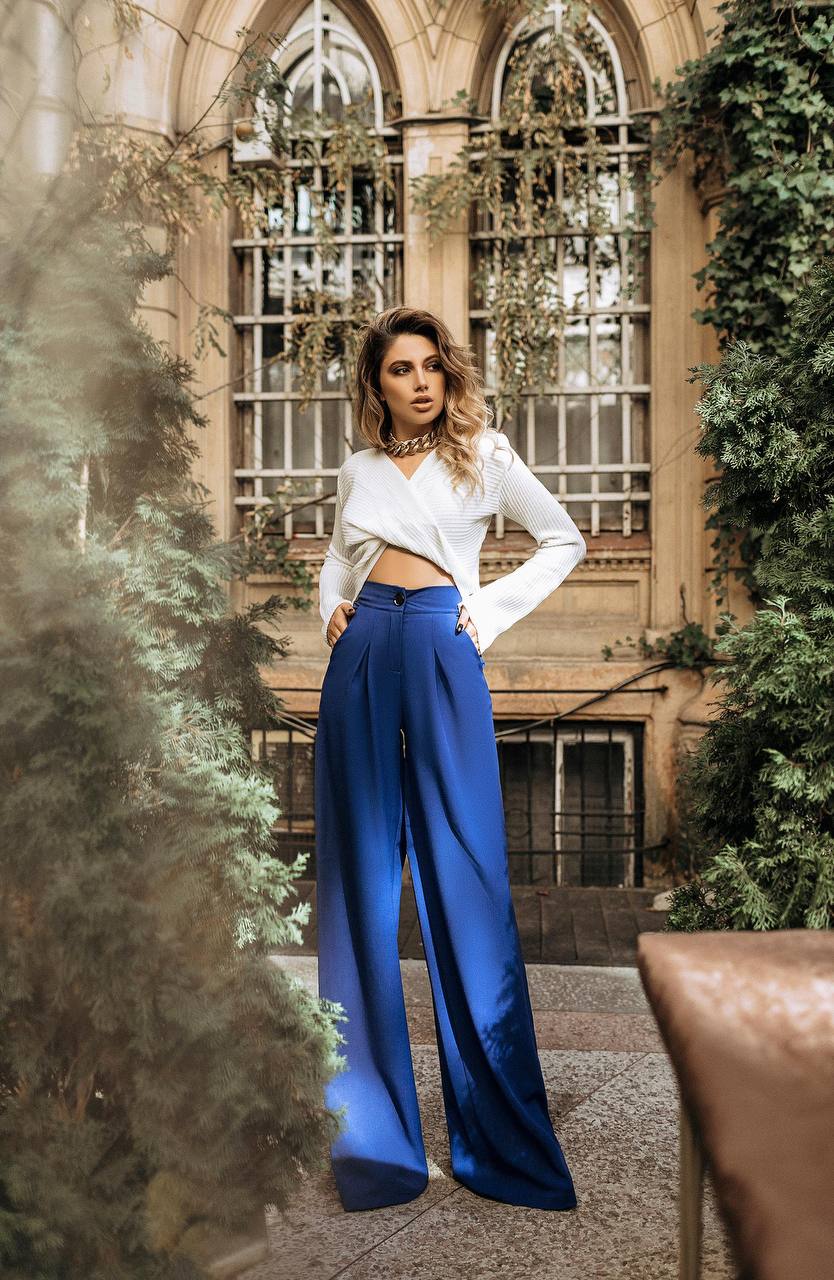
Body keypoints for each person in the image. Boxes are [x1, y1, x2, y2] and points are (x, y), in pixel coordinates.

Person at [315, 306, 586, 1214]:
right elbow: (337, 558)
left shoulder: (488, 454)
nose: (422, 381)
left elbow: (564, 539)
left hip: (442, 645)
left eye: (433, 366)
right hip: (361, 657)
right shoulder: (358, 468)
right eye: (402, 369)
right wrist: (332, 609)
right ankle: (376, 1145)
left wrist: (488, 614)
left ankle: (501, 1140)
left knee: (467, 875)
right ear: (376, 384)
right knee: (357, 885)